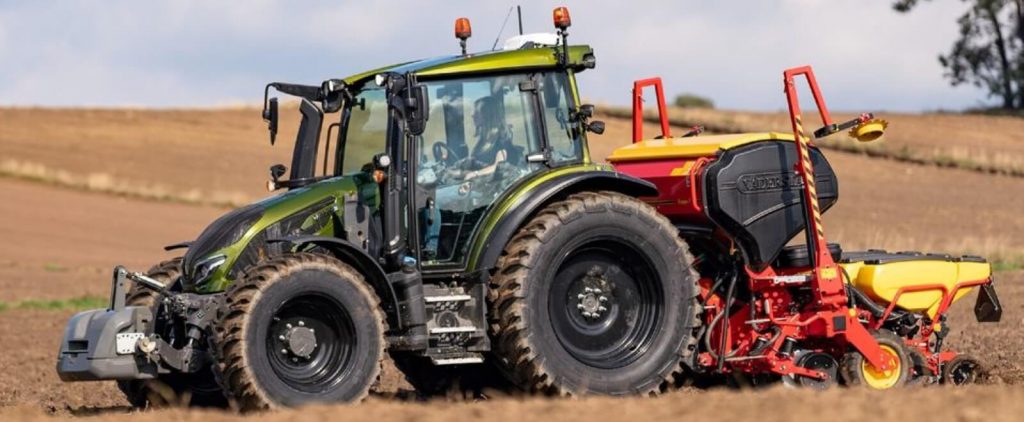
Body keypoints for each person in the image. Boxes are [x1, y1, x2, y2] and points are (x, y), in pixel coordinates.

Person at [421, 95, 514, 260]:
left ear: (487, 114)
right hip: (473, 183)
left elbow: (498, 165)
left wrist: (475, 174)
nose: (472, 115)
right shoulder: (484, 140)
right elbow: (475, 164)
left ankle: (430, 250)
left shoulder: (500, 139)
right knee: (426, 191)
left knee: (431, 199)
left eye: (476, 112)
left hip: (485, 187)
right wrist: (454, 171)